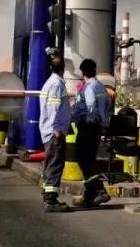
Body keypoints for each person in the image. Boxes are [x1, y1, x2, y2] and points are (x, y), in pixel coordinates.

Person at [72, 58, 112, 207]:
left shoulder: (88, 87)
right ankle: (89, 195)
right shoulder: (101, 86)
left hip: (87, 127)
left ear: (83, 72)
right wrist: (102, 120)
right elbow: (108, 103)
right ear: (94, 71)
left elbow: (90, 105)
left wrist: (87, 118)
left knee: (82, 159)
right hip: (97, 128)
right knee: (89, 160)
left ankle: (100, 190)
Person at [38, 52, 72, 211]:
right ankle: (51, 201)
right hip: (54, 132)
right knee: (55, 165)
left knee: (51, 164)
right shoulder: (57, 84)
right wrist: (57, 129)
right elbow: (53, 107)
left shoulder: (49, 83)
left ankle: (48, 196)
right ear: (63, 69)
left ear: (51, 68)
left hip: (49, 131)